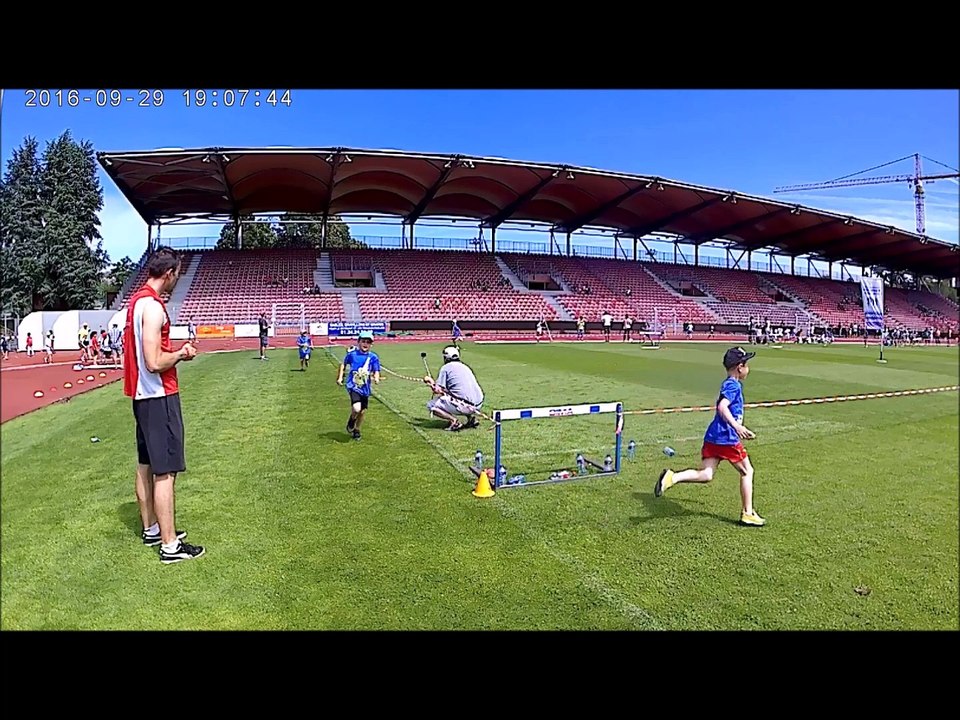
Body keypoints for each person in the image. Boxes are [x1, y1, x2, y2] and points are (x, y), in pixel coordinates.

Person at [123, 246, 205, 563]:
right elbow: (155, 361)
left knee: (146, 463)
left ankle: (152, 529)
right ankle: (170, 546)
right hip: (159, 395)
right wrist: (182, 354)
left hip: (141, 397)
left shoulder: (135, 302)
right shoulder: (154, 308)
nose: (175, 280)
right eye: (176, 275)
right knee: (165, 471)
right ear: (169, 273)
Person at [653, 346, 765, 527]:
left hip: (713, 436)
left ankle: (672, 477)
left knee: (706, 474)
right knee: (747, 471)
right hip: (726, 438)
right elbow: (722, 407)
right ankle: (747, 513)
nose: (748, 369)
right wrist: (737, 426)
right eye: (747, 365)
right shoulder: (733, 385)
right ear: (740, 367)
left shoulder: (729, 384)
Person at [423, 345, 485, 431]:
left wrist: (430, 381)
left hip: (465, 405)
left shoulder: (445, 368)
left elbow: (438, 390)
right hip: (478, 404)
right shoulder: (465, 366)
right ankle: (471, 419)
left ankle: (454, 422)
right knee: (460, 396)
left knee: (431, 405)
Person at [337, 330, 381, 440]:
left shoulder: (373, 357)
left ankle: (357, 430)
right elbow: (343, 364)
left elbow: (376, 370)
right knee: (356, 408)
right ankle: (352, 420)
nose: (365, 344)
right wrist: (340, 377)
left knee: (362, 411)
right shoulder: (352, 355)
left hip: (365, 388)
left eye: (368, 342)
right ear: (359, 342)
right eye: (363, 341)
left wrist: (376, 377)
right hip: (353, 386)